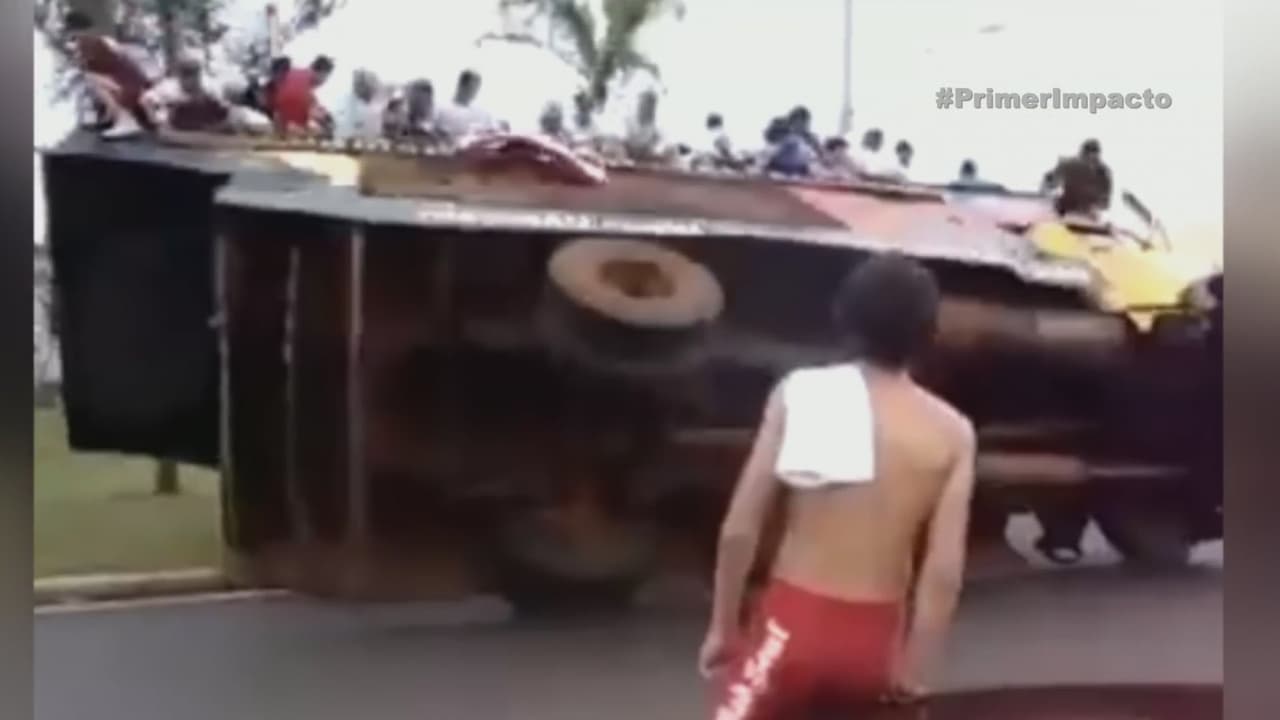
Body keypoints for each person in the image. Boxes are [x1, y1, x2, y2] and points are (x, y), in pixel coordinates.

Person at [701, 252, 976, 718]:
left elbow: (740, 529)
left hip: (791, 629)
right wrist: (914, 671)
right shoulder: (953, 432)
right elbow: (943, 573)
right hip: (875, 642)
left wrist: (723, 627)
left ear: (844, 316)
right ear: (929, 333)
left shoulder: (802, 394)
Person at [64, 9, 155, 139]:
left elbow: (90, 71)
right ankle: (112, 116)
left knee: (91, 78)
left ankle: (125, 120)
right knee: (92, 78)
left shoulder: (88, 42)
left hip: (128, 88)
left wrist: (77, 59)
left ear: (73, 29)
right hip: (137, 84)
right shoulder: (102, 40)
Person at [1044, 138, 1113, 217]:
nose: (1091, 158)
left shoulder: (1103, 172)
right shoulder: (1069, 164)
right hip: (1073, 211)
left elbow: (1105, 203)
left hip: (1078, 212)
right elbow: (1105, 204)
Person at [273, 55, 335, 135]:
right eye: (326, 77)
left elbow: (311, 101)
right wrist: (326, 120)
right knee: (317, 126)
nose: (325, 81)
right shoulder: (305, 81)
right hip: (288, 118)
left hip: (279, 112)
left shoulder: (297, 74)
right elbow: (308, 104)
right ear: (322, 72)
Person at [435, 69, 501, 142]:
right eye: (471, 86)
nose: (474, 91)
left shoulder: (483, 114)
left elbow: (494, 134)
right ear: (461, 85)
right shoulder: (440, 109)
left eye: (477, 87)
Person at [334, 68, 384, 141]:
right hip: (349, 140)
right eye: (357, 84)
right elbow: (345, 127)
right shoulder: (347, 101)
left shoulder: (376, 104)